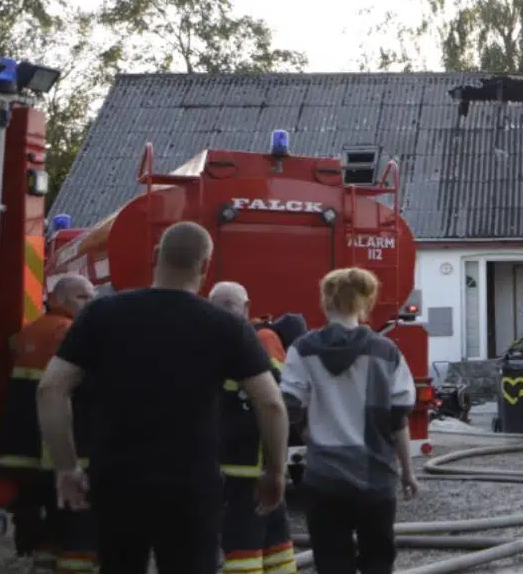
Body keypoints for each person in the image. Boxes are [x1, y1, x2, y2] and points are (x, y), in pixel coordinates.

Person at [35, 221, 290, 574]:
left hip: (116, 480)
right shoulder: (226, 326)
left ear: (156, 256)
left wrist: (66, 467)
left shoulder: (102, 314)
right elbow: (271, 403)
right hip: (192, 485)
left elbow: (50, 388)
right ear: (205, 266)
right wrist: (274, 471)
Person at [280, 267, 420, 574]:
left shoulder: (302, 350)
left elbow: (289, 407)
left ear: (325, 302)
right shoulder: (386, 351)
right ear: (366, 303)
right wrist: (408, 473)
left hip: (324, 479)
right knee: (377, 562)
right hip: (376, 478)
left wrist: (305, 434)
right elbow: (398, 418)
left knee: (331, 563)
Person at [0, 274, 94, 574]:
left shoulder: (26, 334)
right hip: (57, 450)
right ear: (60, 299)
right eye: (83, 297)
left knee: (44, 532)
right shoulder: (69, 332)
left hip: (22, 451)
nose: (90, 303)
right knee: (72, 528)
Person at [210, 281, 297, 574]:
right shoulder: (241, 342)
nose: (224, 312)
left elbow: (276, 402)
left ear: (247, 308)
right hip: (248, 467)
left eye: (229, 305)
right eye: (218, 306)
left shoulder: (257, 340)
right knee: (272, 545)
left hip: (244, 468)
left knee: (246, 548)